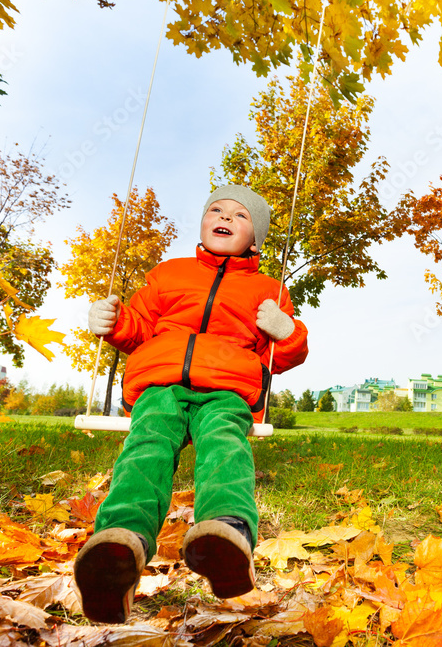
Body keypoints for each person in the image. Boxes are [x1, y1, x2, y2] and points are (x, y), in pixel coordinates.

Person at [73, 184, 308, 623]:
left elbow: (286, 354)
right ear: (203, 222)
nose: (225, 217)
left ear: (255, 238)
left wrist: (286, 329)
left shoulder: (266, 288)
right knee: (147, 447)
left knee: (224, 443)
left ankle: (227, 533)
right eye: (216, 210)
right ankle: (118, 545)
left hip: (226, 386)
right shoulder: (170, 273)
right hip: (160, 382)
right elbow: (139, 327)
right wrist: (114, 320)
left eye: (240, 216)